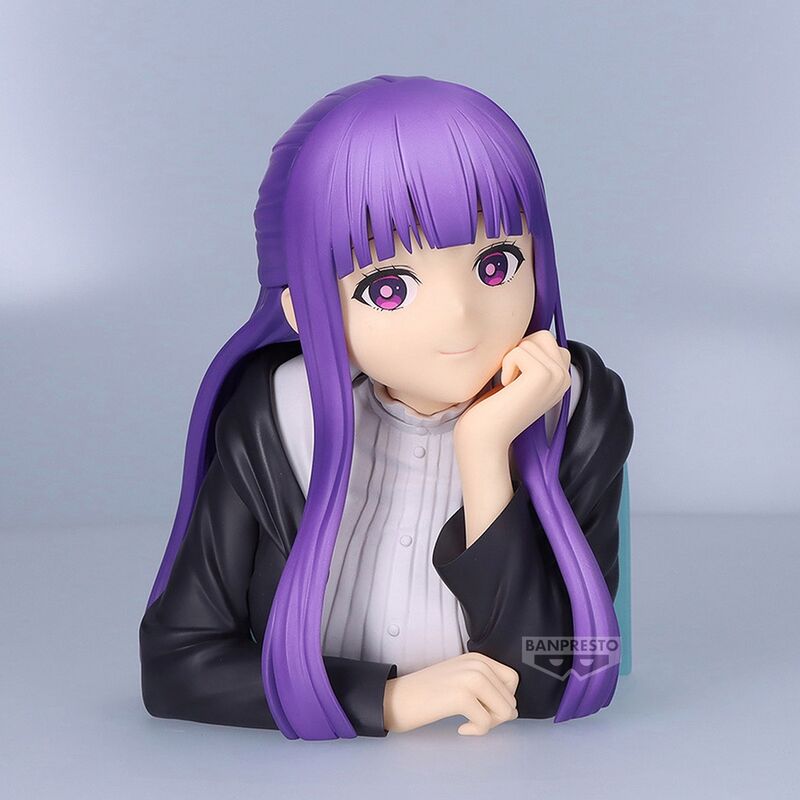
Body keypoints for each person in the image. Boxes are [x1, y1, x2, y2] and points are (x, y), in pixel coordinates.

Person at [139, 75, 634, 741]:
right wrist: (390, 701)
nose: (460, 316)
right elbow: (178, 662)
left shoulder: (575, 409)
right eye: (389, 287)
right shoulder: (276, 417)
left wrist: (485, 450)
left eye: (496, 265)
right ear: (302, 308)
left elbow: (563, 672)